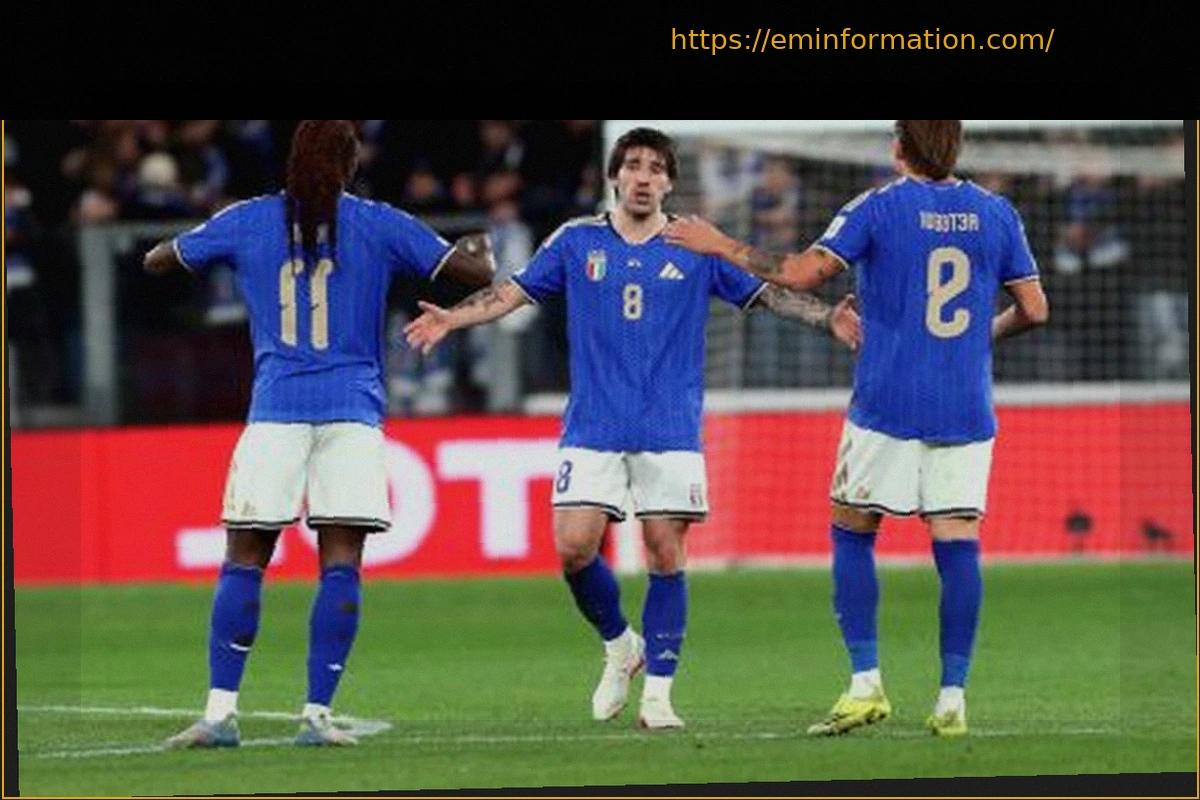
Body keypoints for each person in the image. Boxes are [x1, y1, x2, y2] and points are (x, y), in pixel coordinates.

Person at [405, 127, 861, 730]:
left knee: (665, 550)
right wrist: (451, 320)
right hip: (593, 424)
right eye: (634, 165)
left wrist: (827, 317)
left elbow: (768, 297)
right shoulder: (576, 240)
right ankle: (621, 645)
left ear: (670, 182)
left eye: (656, 168)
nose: (644, 177)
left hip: (669, 426)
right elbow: (511, 293)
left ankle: (659, 697)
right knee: (573, 548)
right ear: (615, 175)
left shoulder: (694, 246)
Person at [665, 120, 1049, 737]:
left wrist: (719, 244)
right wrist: (981, 338)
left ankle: (866, 684)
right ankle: (952, 698)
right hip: (965, 406)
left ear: (899, 147)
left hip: (888, 401)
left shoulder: (877, 207)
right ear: (955, 146)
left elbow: (799, 272)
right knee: (956, 543)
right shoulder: (996, 212)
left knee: (852, 529)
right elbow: (1034, 309)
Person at [142, 120, 495, 748]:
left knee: (244, 559)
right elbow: (473, 272)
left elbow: (158, 260)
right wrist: (481, 245)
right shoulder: (379, 222)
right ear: (351, 165)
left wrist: (203, 241)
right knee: (340, 565)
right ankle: (317, 716)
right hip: (351, 411)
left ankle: (219, 715)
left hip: (275, 408)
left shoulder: (249, 218)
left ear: (292, 162)